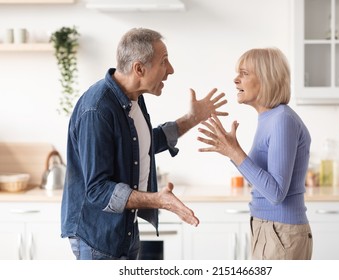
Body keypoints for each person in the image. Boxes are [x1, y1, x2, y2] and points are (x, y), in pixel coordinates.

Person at [61, 28, 228, 260]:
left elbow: (145, 143)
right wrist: (157, 200)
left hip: (125, 231)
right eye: (164, 62)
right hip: (98, 237)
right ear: (139, 68)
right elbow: (97, 190)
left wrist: (191, 119)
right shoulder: (97, 109)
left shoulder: (133, 98)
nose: (170, 70)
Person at [197, 47, 313, 260]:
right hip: (270, 229)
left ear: (266, 78)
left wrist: (236, 152)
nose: (235, 80)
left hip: (281, 233)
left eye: (244, 73)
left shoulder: (282, 120)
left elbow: (276, 193)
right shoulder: (269, 118)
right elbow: (260, 181)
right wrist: (231, 152)